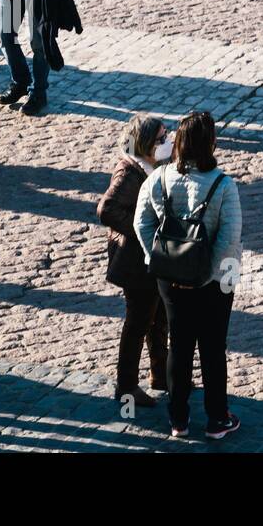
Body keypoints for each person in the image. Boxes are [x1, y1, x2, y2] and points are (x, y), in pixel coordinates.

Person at [134, 111, 242, 440]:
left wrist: (158, 259)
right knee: (212, 348)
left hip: (171, 279)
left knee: (178, 346)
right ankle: (217, 418)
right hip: (213, 283)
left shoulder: (160, 178)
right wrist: (207, 274)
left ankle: (178, 420)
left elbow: (142, 222)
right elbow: (229, 237)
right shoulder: (223, 185)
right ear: (210, 143)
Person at [97, 115, 171, 408]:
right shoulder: (129, 172)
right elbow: (107, 210)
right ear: (144, 144)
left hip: (152, 259)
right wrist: (144, 229)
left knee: (160, 315)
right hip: (134, 261)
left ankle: (161, 374)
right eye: (161, 139)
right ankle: (126, 385)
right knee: (138, 322)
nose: (167, 142)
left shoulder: (154, 165)